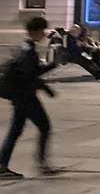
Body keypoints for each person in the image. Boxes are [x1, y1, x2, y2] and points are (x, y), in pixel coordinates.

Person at [0, 16, 62, 179]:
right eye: (42, 31)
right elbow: (30, 75)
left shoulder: (25, 46)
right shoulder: (28, 51)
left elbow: (29, 73)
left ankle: (2, 166)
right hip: (26, 96)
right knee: (44, 127)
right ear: (35, 31)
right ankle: (42, 164)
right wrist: (51, 70)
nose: (44, 34)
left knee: (15, 130)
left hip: (19, 95)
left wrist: (47, 74)